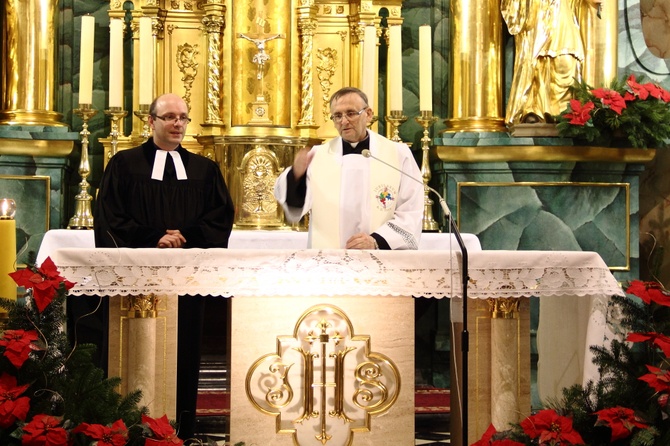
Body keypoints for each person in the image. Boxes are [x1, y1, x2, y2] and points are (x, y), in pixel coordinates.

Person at [94, 93, 235, 440]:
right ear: (151, 122)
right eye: (169, 117)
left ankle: (182, 429)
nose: (177, 124)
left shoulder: (204, 169)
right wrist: (155, 237)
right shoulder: (125, 165)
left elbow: (220, 217)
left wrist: (183, 236)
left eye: (183, 118)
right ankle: (127, 428)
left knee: (184, 350)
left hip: (185, 279)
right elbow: (109, 217)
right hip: (135, 278)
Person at [274, 87, 423, 249]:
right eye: (337, 116)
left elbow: (411, 210)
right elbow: (295, 208)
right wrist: (297, 176)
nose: (344, 121)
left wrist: (376, 241)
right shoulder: (318, 156)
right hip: (330, 262)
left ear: (368, 114)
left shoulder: (397, 154)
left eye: (351, 113)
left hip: (381, 259)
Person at [501, 0, 602, 125]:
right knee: (537, 63)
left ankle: (564, 114)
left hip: (563, 11)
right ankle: (535, 111)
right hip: (538, 14)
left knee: (566, 62)